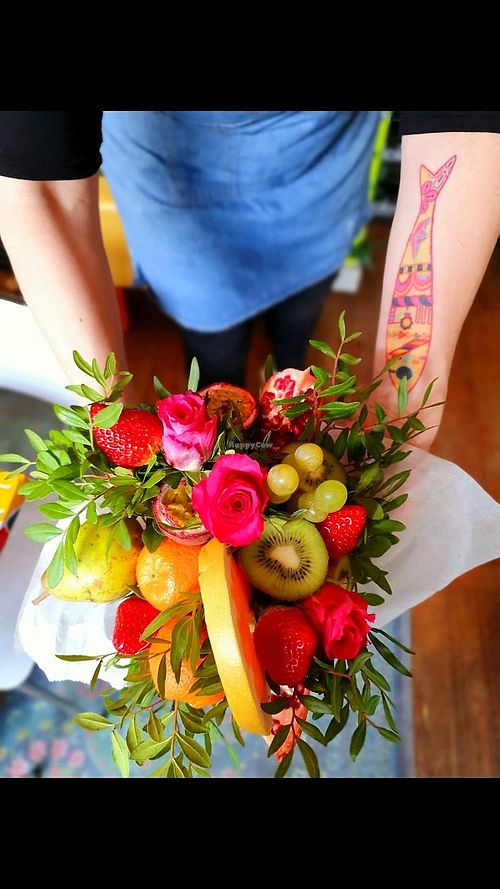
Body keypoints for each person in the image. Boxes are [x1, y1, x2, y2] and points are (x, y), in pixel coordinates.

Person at [0, 111, 499, 449]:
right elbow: (39, 180)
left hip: (318, 178)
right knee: (214, 351)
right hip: (176, 192)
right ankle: (230, 437)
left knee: (301, 320)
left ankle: (291, 382)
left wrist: (400, 401)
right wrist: (114, 421)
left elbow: (461, 130)